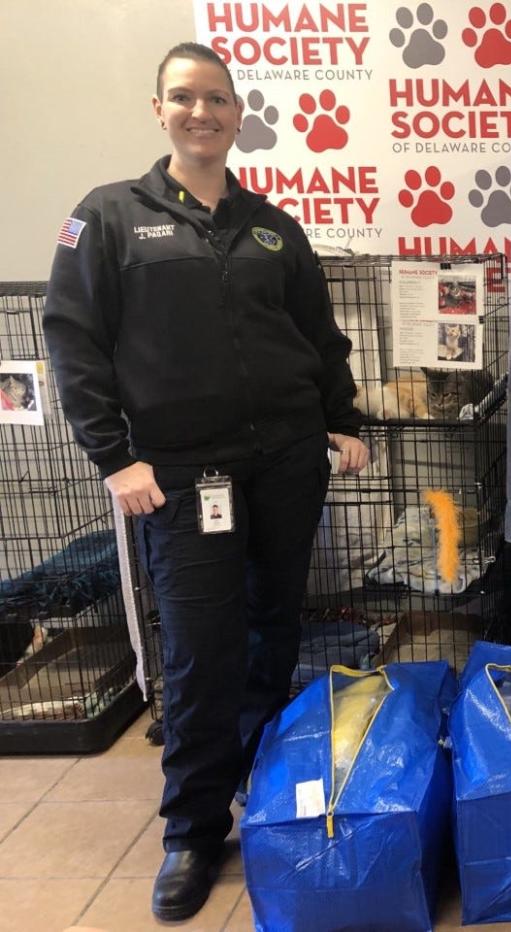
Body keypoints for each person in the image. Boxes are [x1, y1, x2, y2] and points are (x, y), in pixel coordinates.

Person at [42, 43, 369, 920]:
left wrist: (344, 421)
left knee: (274, 628)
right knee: (198, 649)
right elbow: (73, 344)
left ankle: (258, 788)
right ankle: (191, 829)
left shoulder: (273, 227)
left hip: (287, 465)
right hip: (182, 479)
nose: (202, 113)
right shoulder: (107, 219)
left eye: (217, 99)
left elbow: (319, 335)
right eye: (184, 98)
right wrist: (115, 457)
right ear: (160, 111)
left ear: (237, 113)